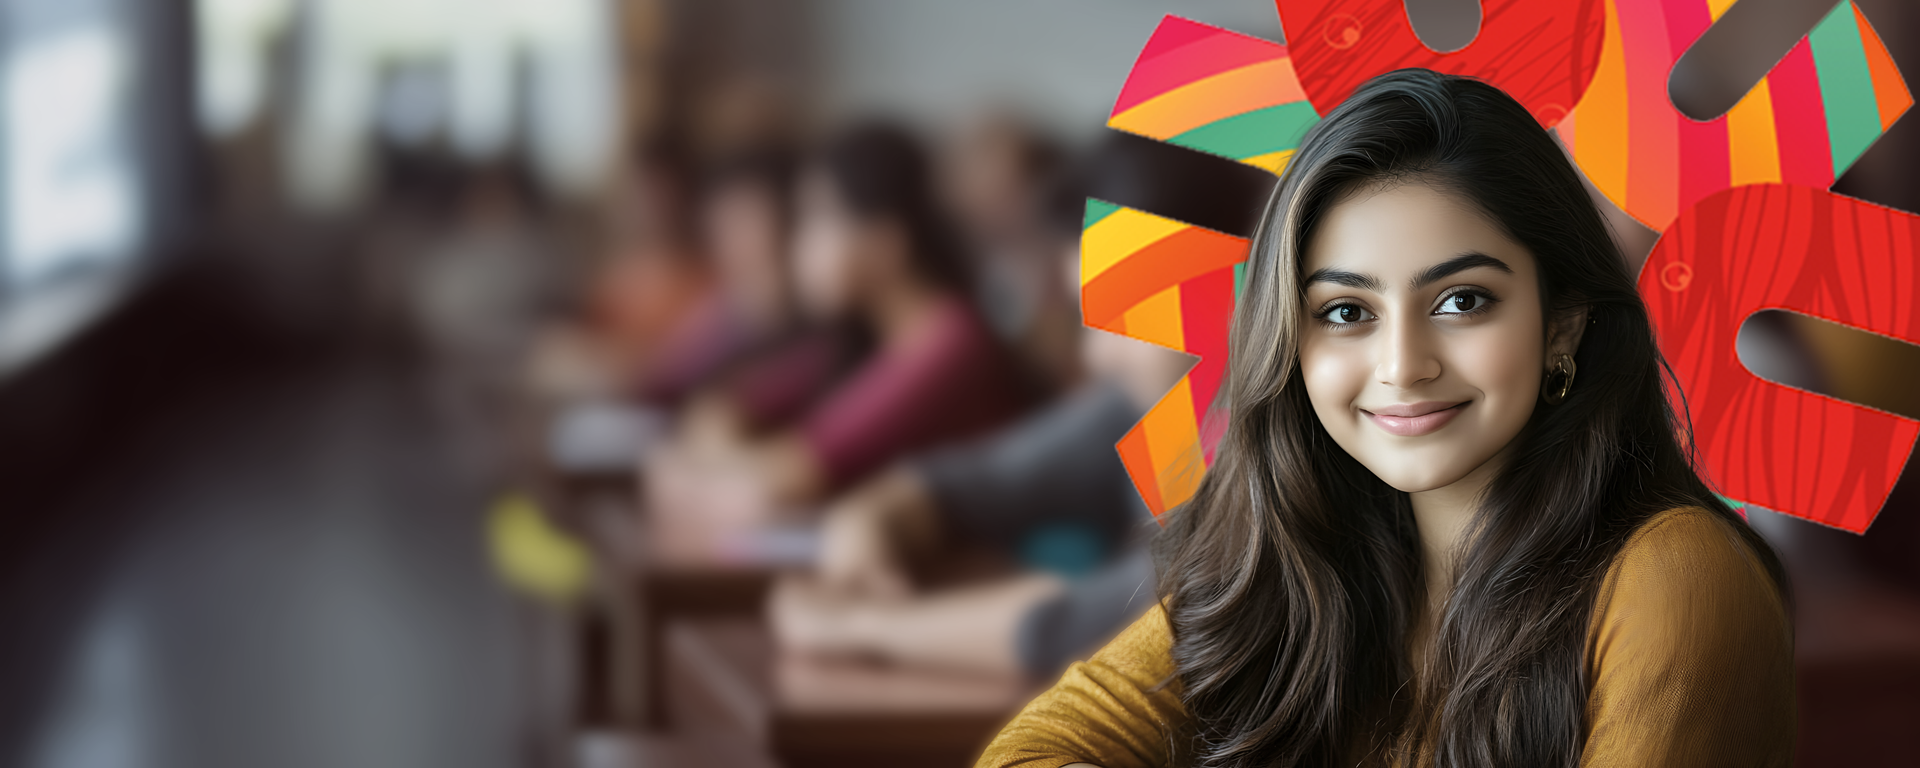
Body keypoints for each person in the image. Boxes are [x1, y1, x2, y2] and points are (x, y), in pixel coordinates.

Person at [976, 70, 1794, 768]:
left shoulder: (1676, 580)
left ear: (1562, 326)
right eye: (1344, 311)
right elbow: (1033, 750)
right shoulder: (1296, 549)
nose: (1402, 364)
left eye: (1462, 300)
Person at [645, 122, 1036, 548]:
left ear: (888, 241)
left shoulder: (950, 341)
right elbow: (721, 408)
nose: (799, 245)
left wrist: (712, 465)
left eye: (821, 219)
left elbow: (786, 479)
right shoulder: (861, 335)